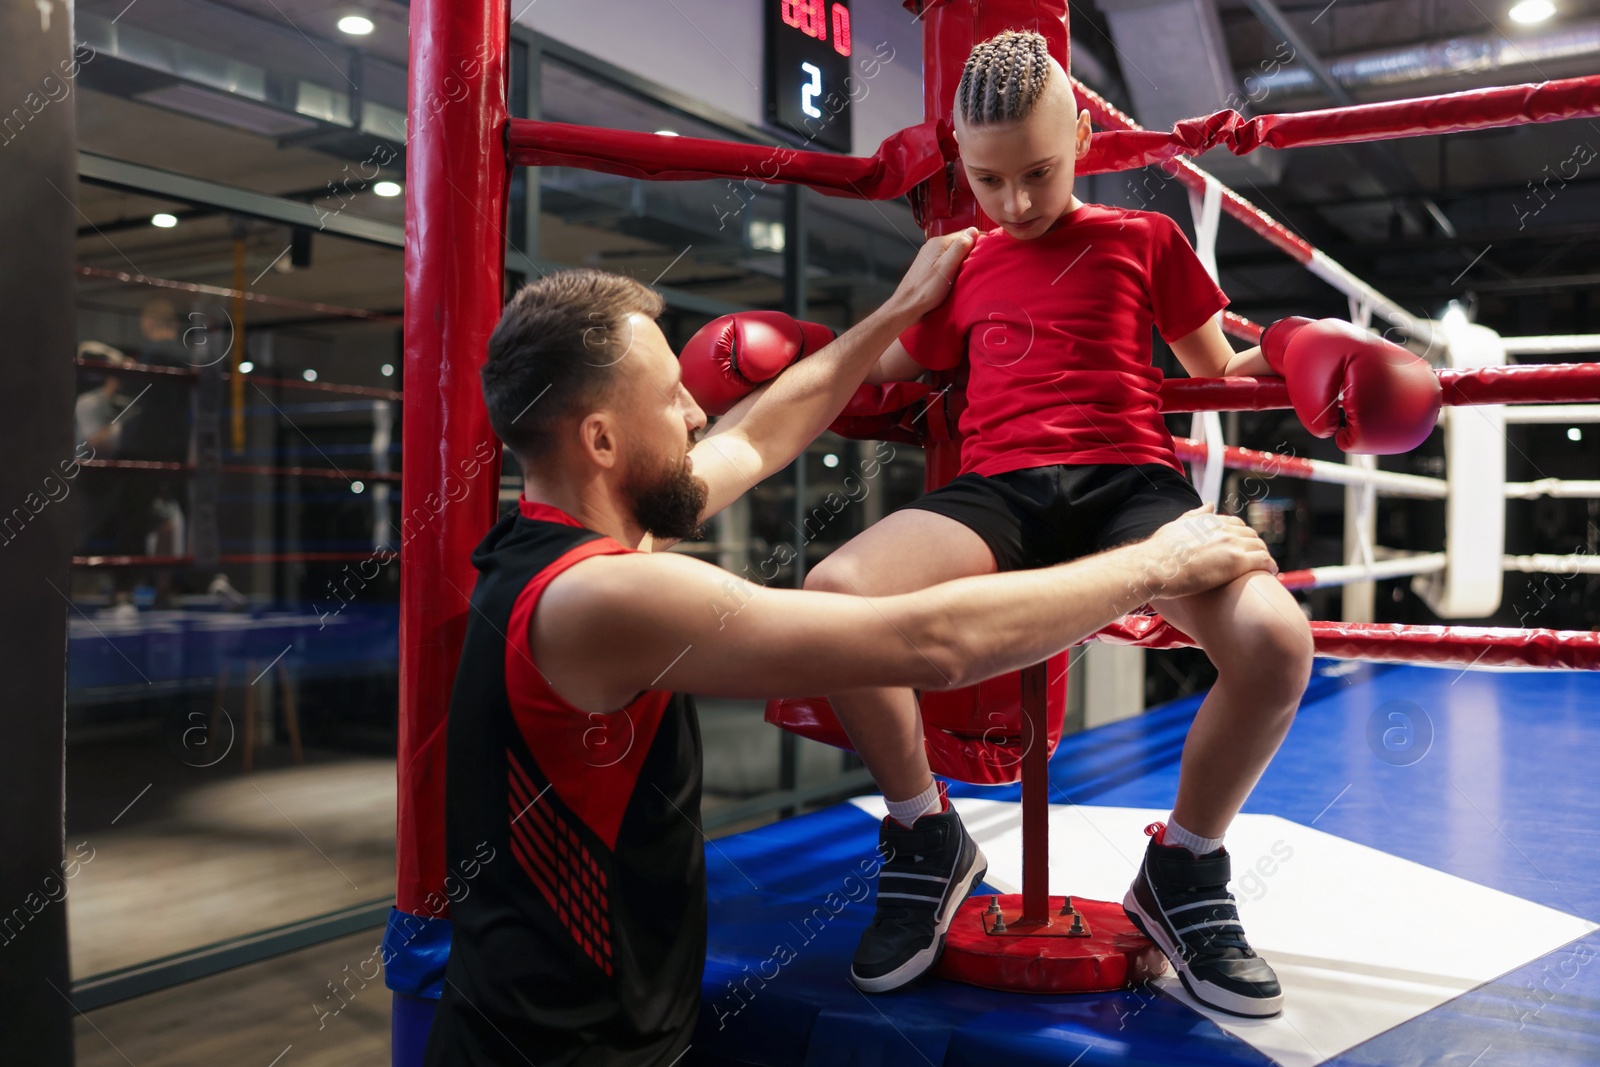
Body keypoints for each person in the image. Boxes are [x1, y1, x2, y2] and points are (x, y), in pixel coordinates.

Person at [421, 243, 1277, 1065]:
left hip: (590, 1030)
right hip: (561, 1052)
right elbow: (927, 645)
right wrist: (1156, 564)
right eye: (672, 396)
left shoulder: (566, 534)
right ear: (602, 441)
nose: (695, 414)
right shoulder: (601, 598)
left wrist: (899, 312)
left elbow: (757, 437)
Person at [808, 30, 1436, 1017]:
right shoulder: (963, 260)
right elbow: (890, 367)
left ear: (1081, 142)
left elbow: (1215, 368)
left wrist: (1302, 345)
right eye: (987, 179)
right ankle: (925, 833)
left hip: (1131, 489)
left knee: (1276, 640)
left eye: (1038, 172)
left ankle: (1183, 866)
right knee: (832, 598)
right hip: (1000, 491)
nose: (1014, 202)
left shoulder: (1141, 242)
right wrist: (791, 353)